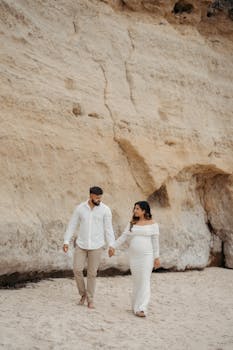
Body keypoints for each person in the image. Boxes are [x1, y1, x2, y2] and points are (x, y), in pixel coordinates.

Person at [63, 186, 115, 309]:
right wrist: (66, 241)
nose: (99, 199)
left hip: (97, 246)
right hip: (81, 245)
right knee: (77, 269)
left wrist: (111, 245)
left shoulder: (105, 210)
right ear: (91, 195)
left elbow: (108, 229)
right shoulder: (80, 208)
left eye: (100, 197)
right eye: (97, 197)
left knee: (92, 274)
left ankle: (90, 299)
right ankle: (83, 294)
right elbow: (72, 225)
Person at [108, 201, 160, 317]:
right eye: (134, 208)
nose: (135, 211)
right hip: (134, 257)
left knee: (145, 280)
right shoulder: (132, 223)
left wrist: (156, 257)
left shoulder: (153, 224)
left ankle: (142, 308)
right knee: (137, 281)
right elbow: (123, 237)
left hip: (147, 256)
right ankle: (135, 306)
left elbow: (155, 242)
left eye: (137, 209)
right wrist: (113, 246)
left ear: (144, 211)